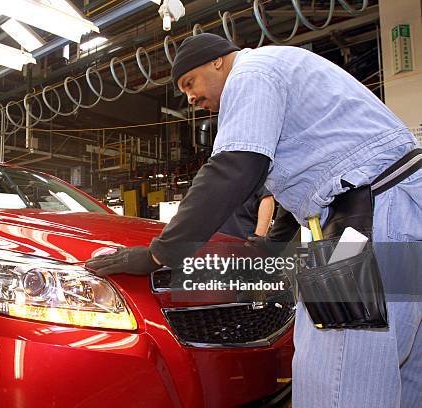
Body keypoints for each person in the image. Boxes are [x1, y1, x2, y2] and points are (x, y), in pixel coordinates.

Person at [86, 33, 421, 407]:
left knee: (340, 374)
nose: (190, 99)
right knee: (400, 373)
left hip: (365, 218)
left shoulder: (252, 72)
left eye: (189, 83)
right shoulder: (282, 69)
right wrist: (269, 248)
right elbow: (309, 183)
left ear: (217, 61)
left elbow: (234, 167)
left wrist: (158, 254)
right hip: (399, 209)